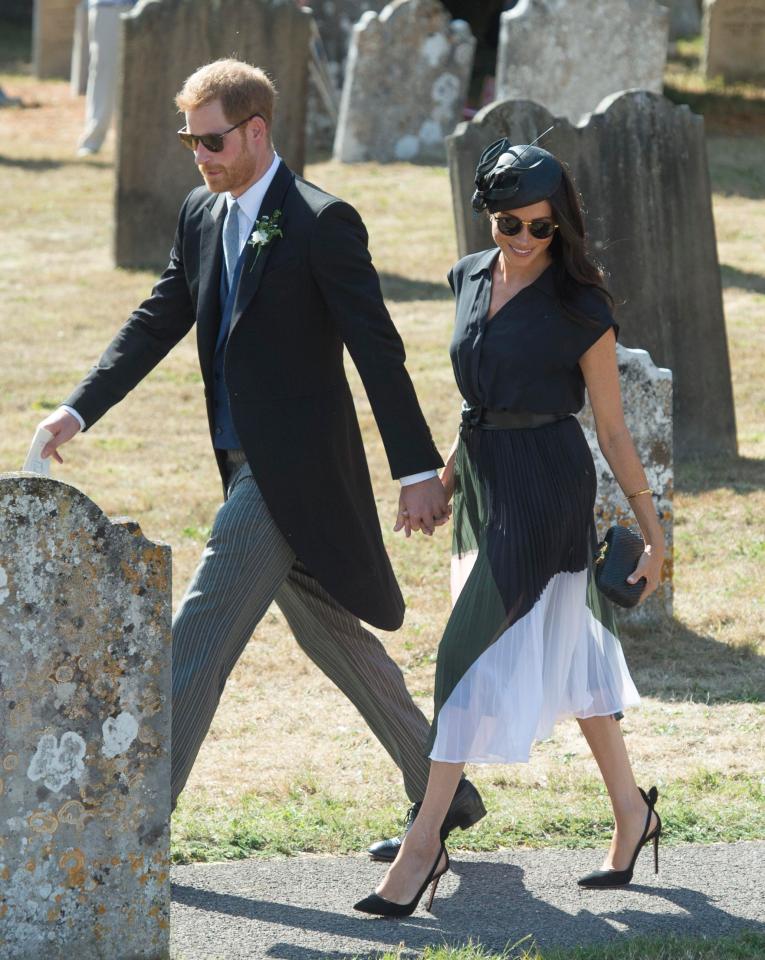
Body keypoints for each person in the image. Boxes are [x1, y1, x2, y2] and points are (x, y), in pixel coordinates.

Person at [40, 58, 486, 847]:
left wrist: (418, 472)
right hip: (241, 466)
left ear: (256, 130)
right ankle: (439, 786)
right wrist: (79, 410)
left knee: (199, 632)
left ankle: (128, 825)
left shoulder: (321, 221)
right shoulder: (200, 215)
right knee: (330, 634)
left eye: (212, 140)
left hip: (294, 477)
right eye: (189, 141)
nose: (200, 155)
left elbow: (378, 353)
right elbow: (158, 317)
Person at [354, 139, 666, 918]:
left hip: (547, 485)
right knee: (573, 652)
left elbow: (614, 431)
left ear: (561, 226)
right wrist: (443, 482)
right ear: (488, 218)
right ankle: (633, 812)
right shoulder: (466, 276)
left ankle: (424, 842)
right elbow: (478, 399)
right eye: (509, 224)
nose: (525, 240)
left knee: (463, 654)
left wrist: (654, 535)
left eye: (540, 226)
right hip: (487, 485)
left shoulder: (580, 303)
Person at [77, 0, 137, 156]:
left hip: (145, 6)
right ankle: (93, 139)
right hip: (107, 6)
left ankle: (134, 139)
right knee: (104, 72)